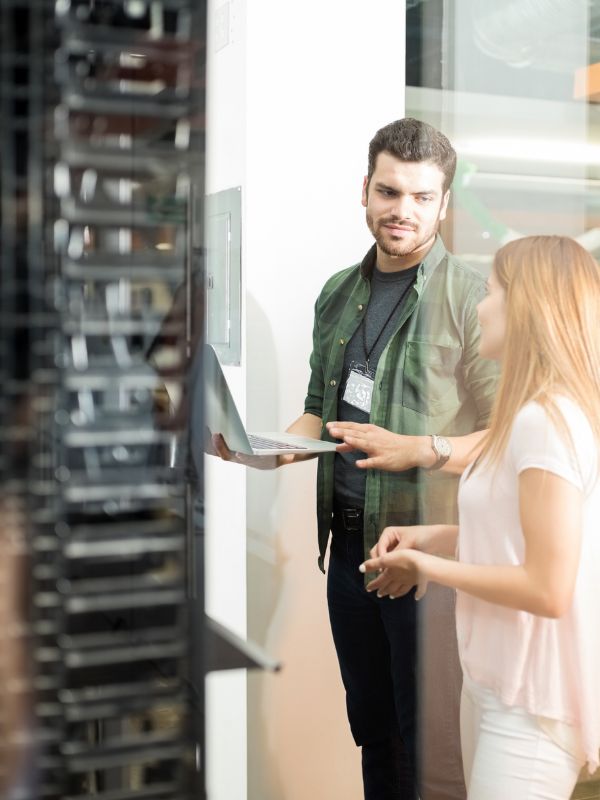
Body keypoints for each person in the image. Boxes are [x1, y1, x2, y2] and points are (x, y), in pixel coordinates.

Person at [212, 118, 499, 799]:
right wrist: (273, 450)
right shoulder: (338, 292)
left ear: (444, 205)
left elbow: (505, 432)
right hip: (348, 550)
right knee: (374, 731)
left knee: (432, 747)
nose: (403, 210)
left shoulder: (471, 298)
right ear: (365, 190)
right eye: (390, 191)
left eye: (422, 197)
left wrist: (422, 449)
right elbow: (320, 406)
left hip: (427, 556)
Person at [361, 235, 600, 800]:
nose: (479, 306)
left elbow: (547, 587)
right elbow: (521, 537)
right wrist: (438, 539)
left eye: (491, 292)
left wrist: (429, 565)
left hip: (529, 702)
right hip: (493, 682)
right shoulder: (527, 416)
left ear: (526, 308)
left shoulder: (548, 421)